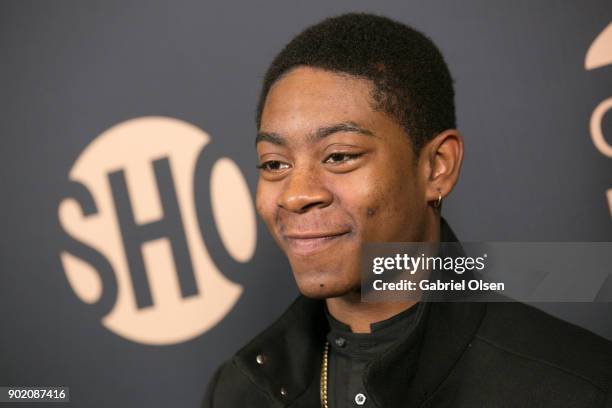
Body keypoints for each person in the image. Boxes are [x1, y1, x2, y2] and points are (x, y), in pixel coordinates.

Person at [203, 13, 612, 407]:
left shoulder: (578, 387)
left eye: (339, 156)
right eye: (274, 163)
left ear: (437, 167)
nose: (295, 195)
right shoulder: (238, 391)